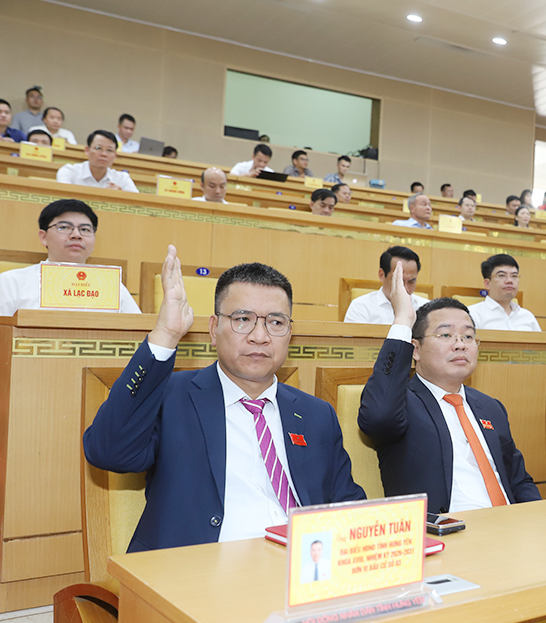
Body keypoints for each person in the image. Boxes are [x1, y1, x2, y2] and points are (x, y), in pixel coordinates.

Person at [83, 249, 366, 551]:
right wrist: (165, 334)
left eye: (276, 322)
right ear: (213, 329)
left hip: (302, 565)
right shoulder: (172, 396)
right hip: (198, 569)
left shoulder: (316, 413)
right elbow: (108, 452)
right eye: (242, 319)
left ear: (289, 334)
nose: (260, 336)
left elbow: (348, 507)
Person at [357, 267, 541, 513]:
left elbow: (519, 481)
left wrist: (537, 518)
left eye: (468, 337)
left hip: (510, 525)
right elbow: (377, 418)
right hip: (449, 529)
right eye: (445, 335)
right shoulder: (401, 403)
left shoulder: (491, 407)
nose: (460, 345)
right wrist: (403, 320)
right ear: (415, 349)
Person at [0, 199, 141, 316]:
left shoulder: (111, 286)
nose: (76, 235)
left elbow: (139, 333)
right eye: (64, 227)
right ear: (44, 237)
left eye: (85, 229)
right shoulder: (11, 283)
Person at [344, 246, 428, 324]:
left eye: (411, 282)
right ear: (382, 275)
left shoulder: (427, 308)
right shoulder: (361, 307)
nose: (405, 288)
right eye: (398, 281)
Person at [468, 254, 541, 331]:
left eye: (514, 276)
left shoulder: (527, 316)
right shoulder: (473, 314)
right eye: (501, 275)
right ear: (487, 283)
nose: (509, 281)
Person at [56, 130, 139, 192]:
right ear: (87, 150)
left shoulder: (122, 178)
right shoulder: (69, 172)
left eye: (109, 150)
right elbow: (63, 198)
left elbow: (138, 204)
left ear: (115, 156)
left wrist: (121, 195)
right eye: (98, 148)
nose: (104, 154)